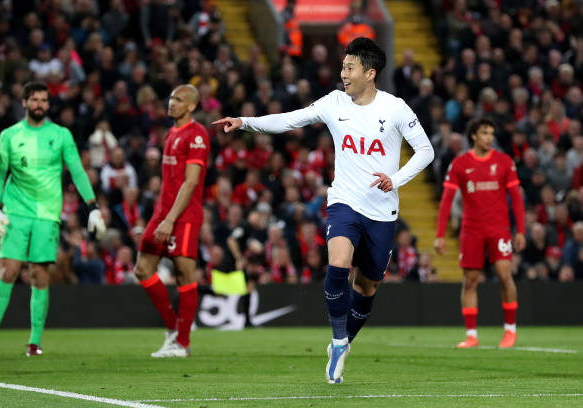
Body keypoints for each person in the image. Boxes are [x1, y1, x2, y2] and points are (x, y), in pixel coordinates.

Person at [213, 37, 434, 384]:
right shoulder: (334, 103)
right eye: (343, 66)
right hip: (344, 201)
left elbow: (425, 151)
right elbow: (290, 120)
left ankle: (343, 344)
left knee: (368, 286)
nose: (343, 73)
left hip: (382, 210)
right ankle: (337, 337)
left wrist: (396, 178)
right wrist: (245, 121)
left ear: (370, 72)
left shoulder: (396, 109)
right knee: (338, 263)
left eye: (349, 67)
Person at [0, 81, 106, 357]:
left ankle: (34, 341)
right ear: (24, 102)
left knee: (40, 275)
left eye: (44, 100)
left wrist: (93, 206)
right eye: (34, 100)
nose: (39, 104)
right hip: (15, 212)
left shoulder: (61, 135)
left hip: (47, 215)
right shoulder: (10, 135)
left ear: (48, 104)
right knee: (9, 270)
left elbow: (77, 170)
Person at [434, 117, 526, 349]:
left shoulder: (504, 162)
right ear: (473, 136)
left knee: (505, 274)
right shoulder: (460, 164)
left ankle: (510, 331)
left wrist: (521, 230)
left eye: (491, 134)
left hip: (499, 229)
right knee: (470, 280)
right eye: (485, 133)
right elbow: (446, 201)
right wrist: (440, 234)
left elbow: (516, 198)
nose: (489, 138)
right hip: (471, 229)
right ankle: (472, 335)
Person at [133, 84, 209, 358]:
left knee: (183, 275)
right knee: (142, 269)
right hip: (162, 213)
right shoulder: (171, 134)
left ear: (191, 106)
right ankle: (173, 329)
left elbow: (190, 183)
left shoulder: (197, 134)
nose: (171, 102)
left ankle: (183, 343)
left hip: (184, 215)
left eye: (178, 99)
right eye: (171, 97)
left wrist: (170, 219)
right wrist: (162, 217)